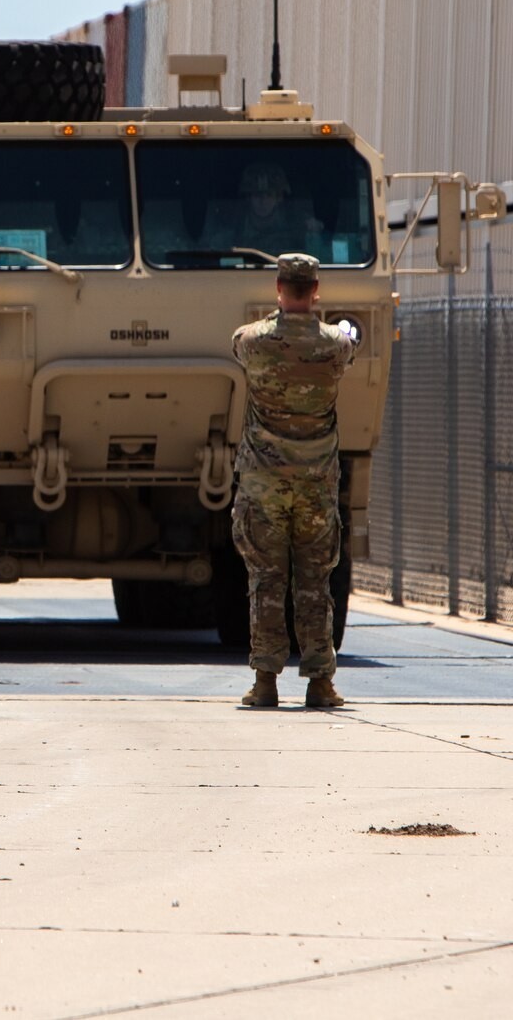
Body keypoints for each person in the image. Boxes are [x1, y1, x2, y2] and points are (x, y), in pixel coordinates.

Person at [230, 253, 355, 708]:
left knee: (266, 579)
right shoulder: (335, 346)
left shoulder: (255, 341)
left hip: (263, 484)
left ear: (279, 289)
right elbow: (348, 341)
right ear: (316, 290)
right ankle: (320, 683)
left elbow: (239, 342)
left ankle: (265, 683)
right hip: (316, 485)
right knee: (314, 583)